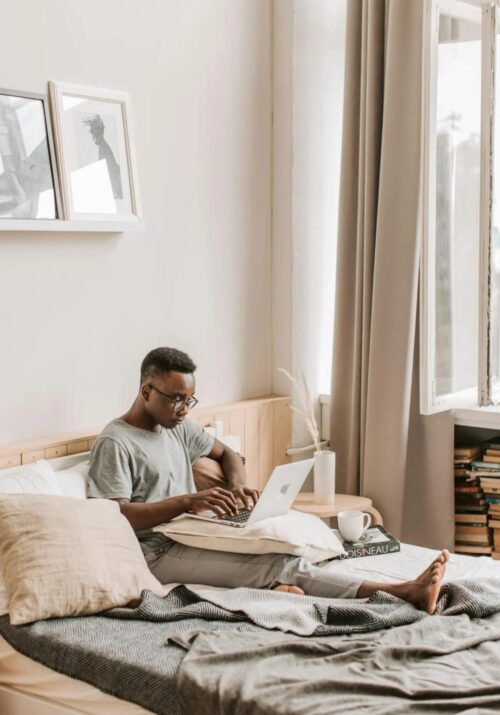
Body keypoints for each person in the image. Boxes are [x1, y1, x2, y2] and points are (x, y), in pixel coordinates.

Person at [88, 347, 449, 614]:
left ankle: (281, 588)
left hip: (193, 530)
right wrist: (186, 502)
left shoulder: (175, 428)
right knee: (277, 563)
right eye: (176, 400)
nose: (184, 409)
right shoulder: (115, 442)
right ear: (147, 391)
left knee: (282, 546)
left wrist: (237, 487)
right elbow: (111, 515)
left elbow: (227, 454)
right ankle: (400, 593)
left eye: (190, 400)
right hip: (154, 552)